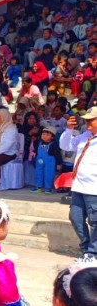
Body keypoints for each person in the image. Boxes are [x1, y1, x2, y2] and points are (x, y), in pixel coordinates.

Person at [60, 108, 97, 256]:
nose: (87, 122)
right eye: (86, 119)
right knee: (75, 218)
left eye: (91, 120)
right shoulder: (84, 136)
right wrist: (69, 130)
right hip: (78, 186)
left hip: (94, 188)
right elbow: (65, 145)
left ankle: (93, 253)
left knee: (95, 222)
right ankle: (86, 247)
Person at [31, 125, 63, 194]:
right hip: (39, 163)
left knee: (49, 175)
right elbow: (36, 150)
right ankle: (38, 187)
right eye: (43, 134)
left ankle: (48, 188)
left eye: (47, 135)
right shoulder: (39, 143)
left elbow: (58, 155)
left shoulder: (53, 145)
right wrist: (34, 152)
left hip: (49, 164)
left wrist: (59, 163)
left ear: (52, 137)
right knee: (38, 173)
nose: (44, 136)